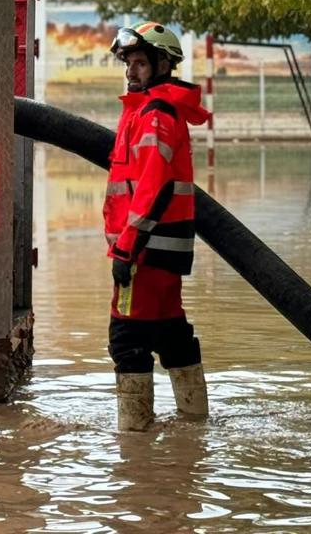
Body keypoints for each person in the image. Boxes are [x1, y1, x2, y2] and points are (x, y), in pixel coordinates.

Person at [103, 22, 210, 431]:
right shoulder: (151, 111)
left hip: (144, 252)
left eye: (141, 63)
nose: (131, 72)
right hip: (163, 249)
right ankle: (195, 425)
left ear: (164, 65)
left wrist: (127, 247)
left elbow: (153, 186)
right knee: (170, 333)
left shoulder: (154, 115)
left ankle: (134, 441)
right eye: (128, 63)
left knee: (127, 339)